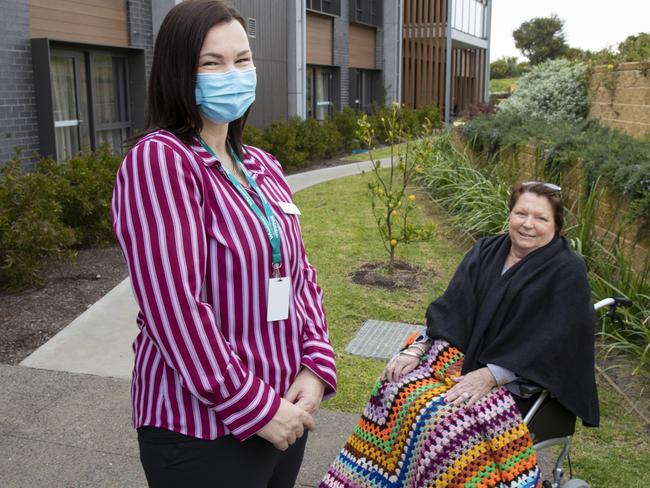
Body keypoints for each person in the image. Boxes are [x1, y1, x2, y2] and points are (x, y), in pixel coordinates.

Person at [111, 1, 336, 486]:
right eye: (211, 63)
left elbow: (299, 275)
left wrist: (316, 367)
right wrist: (254, 407)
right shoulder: (162, 161)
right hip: (202, 431)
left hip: (285, 412)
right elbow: (175, 310)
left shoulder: (260, 164)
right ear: (178, 72)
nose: (231, 73)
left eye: (242, 59)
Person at [320, 181, 599, 488]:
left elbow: (553, 341)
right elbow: (452, 307)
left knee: (442, 425)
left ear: (556, 225)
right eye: (521, 213)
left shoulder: (566, 270)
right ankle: (380, 479)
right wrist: (417, 349)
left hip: (522, 382)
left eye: (541, 218)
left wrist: (492, 375)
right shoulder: (487, 250)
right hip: (464, 361)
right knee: (394, 388)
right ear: (510, 214)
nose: (528, 224)